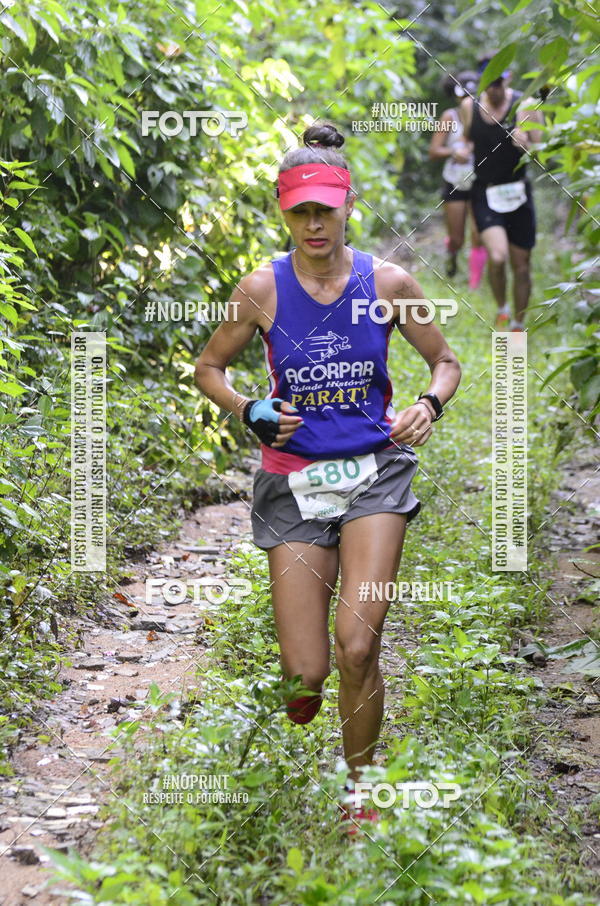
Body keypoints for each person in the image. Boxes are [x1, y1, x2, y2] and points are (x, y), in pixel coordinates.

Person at [194, 122, 461, 828]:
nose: (314, 224)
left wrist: (429, 403)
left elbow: (447, 361)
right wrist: (247, 405)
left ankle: (360, 793)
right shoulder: (261, 289)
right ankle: (304, 691)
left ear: (348, 207)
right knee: (306, 672)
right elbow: (208, 368)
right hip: (293, 483)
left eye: (326, 210)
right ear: (283, 212)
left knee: (358, 645)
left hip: (376, 474)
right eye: (299, 212)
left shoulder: (389, 282)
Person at [459, 55, 545, 330]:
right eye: (490, 83)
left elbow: (542, 155)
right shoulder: (467, 107)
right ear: (482, 82)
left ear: (507, 78)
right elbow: (468, 140)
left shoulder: (526, 105)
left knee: (522, 265)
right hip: (486, 192)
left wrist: (526, 145)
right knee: (497, 258)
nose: (495, 89)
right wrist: (461, 152)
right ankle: (502, 308)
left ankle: (518, 324)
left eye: (499, 82)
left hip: (518, 192)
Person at [428, 70, 487, 287]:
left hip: (481, 180)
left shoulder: (486, 115)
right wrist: (454, 152)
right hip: (455, 182)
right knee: (457, 237)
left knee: (479, 233)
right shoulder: (449, 117)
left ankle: (474, 284)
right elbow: (434, 150)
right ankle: (452, 255)